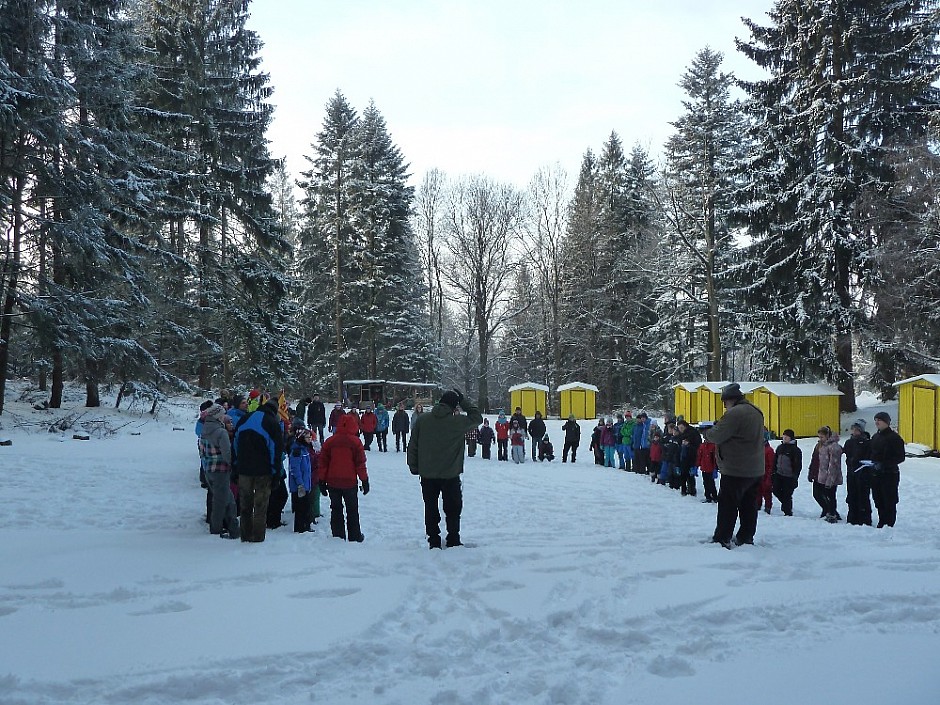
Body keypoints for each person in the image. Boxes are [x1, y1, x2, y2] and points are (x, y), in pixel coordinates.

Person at [407, 389, 483, 549]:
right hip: (450, 474)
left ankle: (433, 540)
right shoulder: (458, 422)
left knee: (430, 507)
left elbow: (413, 445)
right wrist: (463, 401)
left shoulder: (423, 420)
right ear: (454, 406)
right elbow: (477, 417)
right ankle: (453, 538)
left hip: (427, 473)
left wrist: (414, 466)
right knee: (453, 508)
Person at [706, 383, 766, 549]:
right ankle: (746, 537)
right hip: (755, 468)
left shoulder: (734, 414)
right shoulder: (756, 411)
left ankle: (723, 537)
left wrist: (707, 431)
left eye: (725, 402)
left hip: (736, 468)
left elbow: (716, 436)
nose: (724, 406)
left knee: (728, 505)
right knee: (749, 506)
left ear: (730, 400)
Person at [233, 397, 284, 543]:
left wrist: (235, 465)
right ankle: (258, 538)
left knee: (245, 505)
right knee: (260, 506)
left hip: (244, 469)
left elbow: (235, 444)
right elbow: (276, 451)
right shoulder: (272, 423)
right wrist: (276, 473)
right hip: (263, 471)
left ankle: (245, 535)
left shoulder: (245, 419)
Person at [318, 413, 368, 542]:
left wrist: (321, 480)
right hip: (350, 482)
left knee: (336, 509)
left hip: (333, 481)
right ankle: (355, 535)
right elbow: (360, 464)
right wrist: (364, 480)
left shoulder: (330, 441)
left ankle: (338, 535)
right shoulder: (355, 442)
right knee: (352, 510)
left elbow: (323, 463)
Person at [199, 403, 239, 538]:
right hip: (221, 469)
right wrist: (233, 466)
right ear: (218, 416)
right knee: (222, 502)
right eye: (222, 414)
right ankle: (216, 530)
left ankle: (233, 529)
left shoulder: (205, 429)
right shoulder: (221, 432)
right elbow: (227, 453)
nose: (224, 416)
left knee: (225, 500)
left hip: (208, 469)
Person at [868, 411, 905, 528]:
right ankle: (881, 520)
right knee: (878, 498)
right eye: (876, 420)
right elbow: (871, 453)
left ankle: (889, 523)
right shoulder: (875, 436)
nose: (877, 422)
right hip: (875, 473)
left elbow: (900, 457)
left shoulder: (894, 438)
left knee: (889, 499)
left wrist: (884, 464)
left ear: (887, 422)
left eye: (879, 420)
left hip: (889, 474)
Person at [843, 419, 872, 526]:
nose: (854, 432)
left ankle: (864, 519)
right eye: (853, 429)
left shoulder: (867, 443)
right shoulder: (849, 442)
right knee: (851, 496)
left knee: (863, 497)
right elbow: (845, 453)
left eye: (857, 430)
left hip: (863, 474)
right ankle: (852, 518)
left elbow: (869, 458)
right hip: (851, 473)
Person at [812, 426, 843, 523]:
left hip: (831, 477)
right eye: (819, 437)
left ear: (827, 436)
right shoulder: (822, 446)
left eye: (822, 437)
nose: (820, 439)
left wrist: (830, 479)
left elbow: (833, 465)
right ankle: (829, 511)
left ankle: (832, 514)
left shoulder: (833, 447)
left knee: (831, 496)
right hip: (822, 476)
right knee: (821, 495)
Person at [288, 420, 314, 533]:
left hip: (305, 483)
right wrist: (300, 484)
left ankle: (306, 525)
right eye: (308, 437)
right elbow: (295, 469)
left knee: (306, 506)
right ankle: (300, 528)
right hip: (300, 485)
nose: (310, 439)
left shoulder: (304, 449)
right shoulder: (297, 450)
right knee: (301, 508)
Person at [771, 429, 802, 516]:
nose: (784, 438)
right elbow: (775, 461)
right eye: (783, 436)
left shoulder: (795, 450)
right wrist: (773, 472)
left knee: (787, 494)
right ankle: (785, 505)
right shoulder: (780, 447)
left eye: (786, 437)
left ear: (791, 438)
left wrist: (795, 477)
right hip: (778, 474)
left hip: (789, 476)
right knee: (775, 490)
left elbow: (798, 465)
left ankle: (788, 512)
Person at [677, 419, 701, 496]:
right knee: (683, 474)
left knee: (690, 475)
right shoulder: (681, 434)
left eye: (681, 427)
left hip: (691, 456)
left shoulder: (693, 432)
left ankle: (692, 491)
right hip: (683, 456)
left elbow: (698, 444)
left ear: (685, 426)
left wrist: (688, 444)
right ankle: (683, 490)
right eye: (679, 428)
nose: (680, 429)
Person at [697, 425, 719, 503]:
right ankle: (708, 496)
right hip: (704, 467)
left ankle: (715, 496)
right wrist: (698, 464)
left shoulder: (713, 446)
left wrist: (715, 468)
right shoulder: (702, 445)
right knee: (705, 483)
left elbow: (715, 458)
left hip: (711, 468)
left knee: (711, 483)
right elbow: (699, 455)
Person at [758, 432, 775, 514]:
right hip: (758, 473)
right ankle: (757, 505)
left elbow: (771, 465)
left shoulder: (769, 450)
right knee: (757, 490)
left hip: (766, 474)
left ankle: (768, 507)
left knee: (766, 491)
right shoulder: (757, 449)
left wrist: (769, 476)